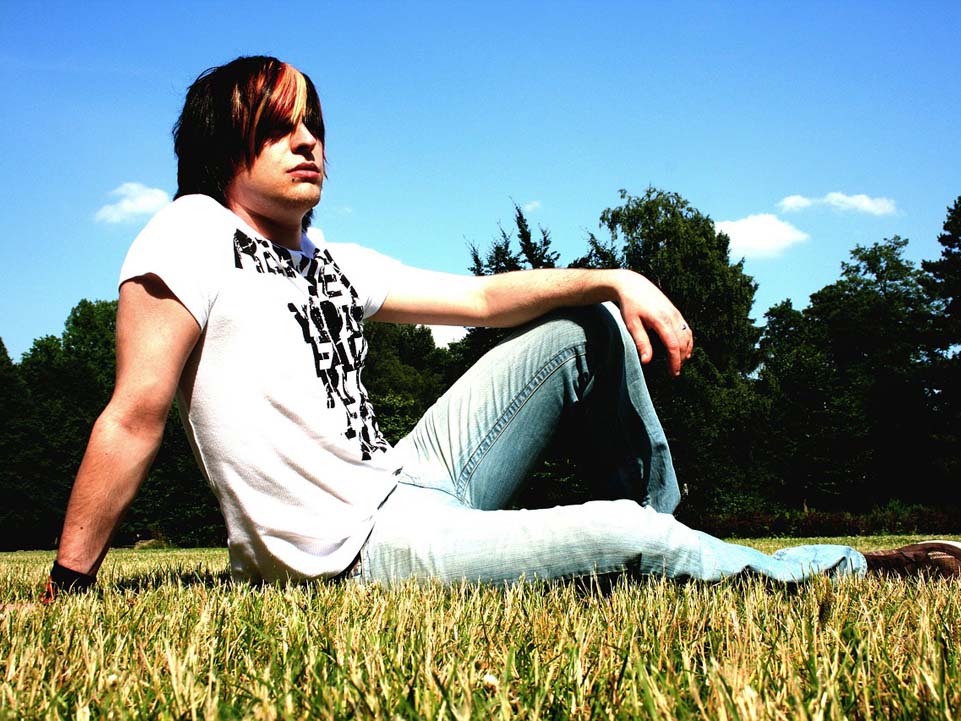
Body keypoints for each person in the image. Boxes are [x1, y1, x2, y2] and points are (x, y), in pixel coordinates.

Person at [43, 56, 960, 601]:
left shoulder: (331, 258)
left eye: (312, 123)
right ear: (222, 144)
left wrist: (613, 276)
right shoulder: (192, 231)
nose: (308, 141)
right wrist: (69, 583)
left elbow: (482, 301)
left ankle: (668, 535)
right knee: (614, 530)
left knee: (585, 327)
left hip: (409, 477)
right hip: (354, 552)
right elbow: (134, 414)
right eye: (279, 127)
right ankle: (847, 569)